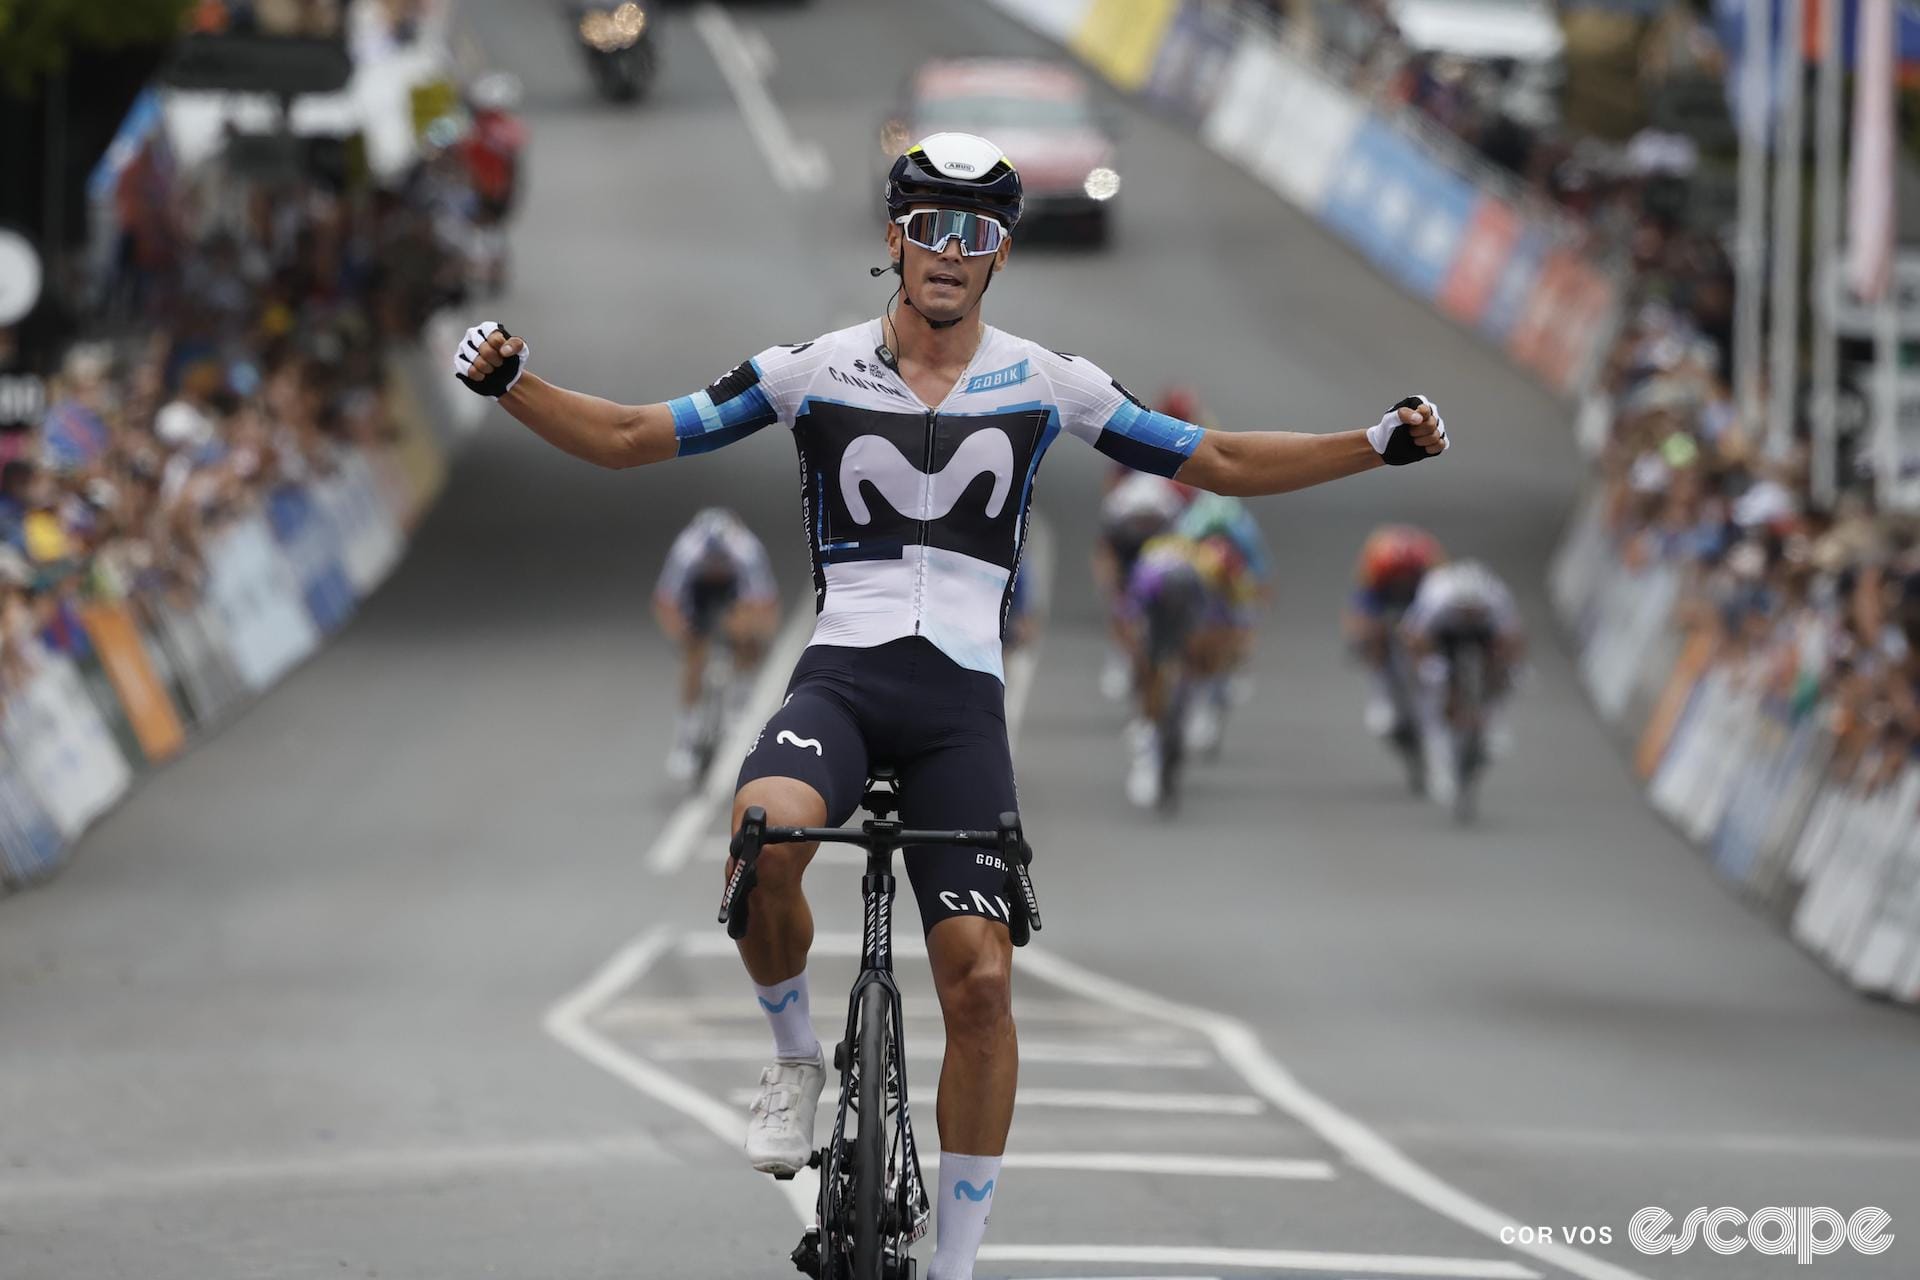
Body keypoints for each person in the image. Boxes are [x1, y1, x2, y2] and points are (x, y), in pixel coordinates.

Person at [451, 130, 1449, 1280]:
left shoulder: (1047, 381)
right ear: (895, 239)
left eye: (973, 233)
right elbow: (633, 437)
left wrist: (1373, 446)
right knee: (765, 833)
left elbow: (1214, 457)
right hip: (844, 675)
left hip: (961, 705)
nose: (947, 250)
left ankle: (958, 1261)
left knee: (979, 980)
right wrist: (513, 385)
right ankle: (792, 1058)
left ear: (999, 256)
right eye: (928, 226)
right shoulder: (810, 367)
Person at [654, 507, 779, 781]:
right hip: (697, 590)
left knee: (746, 635)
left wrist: (756, 637)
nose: (715, 565)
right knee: (694, 656)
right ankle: (685, 741)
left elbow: (764, 603)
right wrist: (680, 637)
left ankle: (738, 706)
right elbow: (666, 602)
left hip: (735, 588)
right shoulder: (686, 552)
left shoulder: (746, 551)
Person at [1398, 558, 1525, 807]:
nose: (1468, 615)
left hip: (1484, 634)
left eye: (1473, 610)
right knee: (1432, 687)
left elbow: (1513, 639)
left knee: (1505, 673)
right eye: (1463, 610)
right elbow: (1412, 638)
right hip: (1441, 636)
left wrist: (1510, 669)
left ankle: (1493, 720)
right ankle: (1439, 762)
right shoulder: (1436, 599)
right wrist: (1427, 666)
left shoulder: (1496, 599)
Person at [1118, 532, 1213, 808]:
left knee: (1194, 653)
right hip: (1152, 613)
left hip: (1186, 610)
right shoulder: (1146, 582)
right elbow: (1129, 619)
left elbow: (1202, 621)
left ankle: (1187, 703)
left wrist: (1195, 655)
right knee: (1148, 661)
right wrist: (1140, 656)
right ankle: (1148, 729)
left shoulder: (1196, 581)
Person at [1170, 491, 1269, 752]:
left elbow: (1257, 584)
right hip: (1193, 579)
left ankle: (1219, 688)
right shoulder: (1189, 531)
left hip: (1235, 583)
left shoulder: (1243, 535)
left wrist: (1242, 646)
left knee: (1236, 627)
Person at [1343, 523, 1444, 742]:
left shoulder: (1430, 569)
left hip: (1422, 598)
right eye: (1399, 577)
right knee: (1372, 637)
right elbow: (1361, 607)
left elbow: (1443, 596)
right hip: (1382, 598)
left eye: (1407, 576)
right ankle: (1381, 696)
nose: (1403, 581)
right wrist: (1362, 638)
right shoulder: (1378, 569)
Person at [1094, 471, 1188, 699]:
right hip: (1129, 557)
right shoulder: (1118, 513)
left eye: (1149, 520)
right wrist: (1112, 587)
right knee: (1122, 610)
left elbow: (1182, 551)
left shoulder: (1170, 512)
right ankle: (1120, 657)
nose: (1144, 525)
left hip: (1160, 558)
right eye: (1140, 520)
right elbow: (1106, 554)